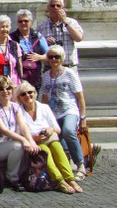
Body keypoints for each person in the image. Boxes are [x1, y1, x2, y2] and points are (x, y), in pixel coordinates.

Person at [17, 81, 83, 193]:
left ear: (35, 93)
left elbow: (57, 129)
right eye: (23, 94)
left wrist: (50, 129)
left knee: (57, 148)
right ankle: (60, 181)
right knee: (45, 152)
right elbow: (19, 132)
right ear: (19, 97)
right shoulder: (18, 111)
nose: (28, 96)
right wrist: (33, 138)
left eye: (30, 92)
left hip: (49, 138)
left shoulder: (44, 107)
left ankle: (70, 179)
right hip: (34, 143)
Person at [39, 45, 88, 181]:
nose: (54, 59)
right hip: (54, 114)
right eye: (51, 57)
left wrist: (83, 117)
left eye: (57, 57)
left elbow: (80, 97)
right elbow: (44, 99)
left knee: (67, 131)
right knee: (54, 140)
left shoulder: (70, 73)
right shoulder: (45, 77)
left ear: (61, 58)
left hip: (69, 110)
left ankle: (80, 164)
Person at [0, 76, 40, 192]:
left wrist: (31, 141)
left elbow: (23, 126)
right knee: (19, 146)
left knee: (25, 146)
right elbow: (3, 130)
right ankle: (12, 178)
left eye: (8, 88)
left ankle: (26, 177)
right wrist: (24, 140)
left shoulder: (15, 107)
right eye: (1, 89)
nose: (5, 91)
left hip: (12, 142)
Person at [37, 0, 84, 69]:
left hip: (69, 66)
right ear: (48, 8)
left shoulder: (72, 22)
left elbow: (79, 38)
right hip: (50, 67)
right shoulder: (41, 26)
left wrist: (65, 22)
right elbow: (36, 46)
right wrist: (45, 42)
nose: (55, 8)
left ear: (63, 8)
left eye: (58, 6)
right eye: (52, 6)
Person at [10, 9, 49, 90]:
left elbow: (49, 55)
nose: (23, 23)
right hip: (17, 78)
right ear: (17, 23)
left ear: (31, 22)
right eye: (20, 21)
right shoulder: (11, 38)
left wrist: (39, 57)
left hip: (34, 78)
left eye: (25, 21)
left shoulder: (38, 36)